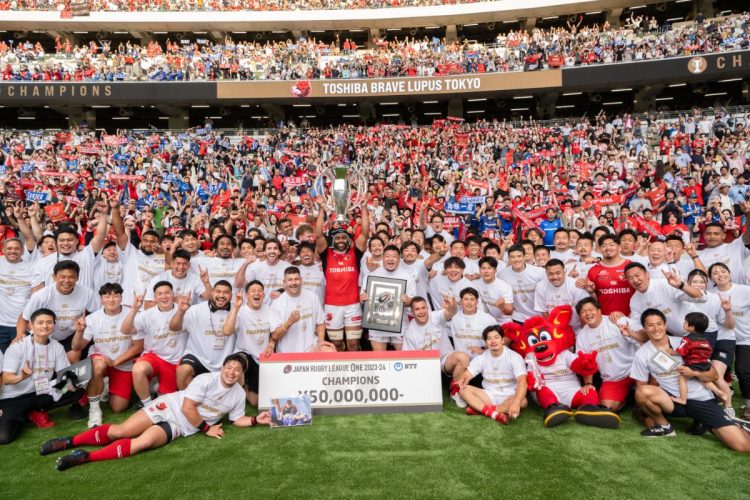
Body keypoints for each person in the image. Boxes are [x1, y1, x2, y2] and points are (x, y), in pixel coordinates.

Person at [41, 354, 272, 470]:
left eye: (237, 370)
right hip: (169, 407)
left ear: (241, 374)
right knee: (121, 431)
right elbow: (187, 407)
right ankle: (68, 441)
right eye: (229, 367)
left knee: (142, 443)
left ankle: (85, 457)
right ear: (222, 368)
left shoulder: (239, 394)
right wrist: (207, 428)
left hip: (181, 427)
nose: (232, 372)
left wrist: (254, 419)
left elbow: (236, 418)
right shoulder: (206, 380)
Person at [631, 309, 750, 451]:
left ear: (665, 325)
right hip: (673, 401)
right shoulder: (642, 354)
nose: (656, 328)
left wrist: (694, 372)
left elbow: (714, 375)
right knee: (642, 392)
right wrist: (649, 409)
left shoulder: (686, 342)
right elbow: (641, 387)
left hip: (701, 400)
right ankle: (664, 427)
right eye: (650, 325)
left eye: (659, 323)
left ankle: (730, 424)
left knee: (743, 446)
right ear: (644, 328)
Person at [0, 309, 83, 444]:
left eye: (49, 322)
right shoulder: (17, 346)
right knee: (4, 438)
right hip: (13, 398)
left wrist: (70, 382)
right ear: (30, 326)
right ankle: (27, 414)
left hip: (40, 392)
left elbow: (64, 374)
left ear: (54, 325)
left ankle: (35, 410)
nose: (45, 326)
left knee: (76, 388)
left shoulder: (57, 347)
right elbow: (6, 379)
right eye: (40, 323)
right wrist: (22, 376)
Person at [71, 283, 143, 427]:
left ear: (121, 297)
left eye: (116, 295)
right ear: (101, 299)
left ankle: (103, 385)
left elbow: (138, 347)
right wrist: (79, 331)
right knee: (98, 365)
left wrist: (115, 362)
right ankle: (95, 409)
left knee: (118, 407)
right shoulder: (92, 318)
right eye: (107, 296)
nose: (111, 300)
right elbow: (77, 347)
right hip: (101, 361)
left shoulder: (133, 314)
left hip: (122, 364)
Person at [121, 281, 188, 407]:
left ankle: (156, 388)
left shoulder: (185, 310)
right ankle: (147, 405)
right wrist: (135, 309)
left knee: (166, 403)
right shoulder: (147, 314)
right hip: (155, 358)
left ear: (173, 294)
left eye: (167, 293)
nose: (164, 296)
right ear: (155, 297)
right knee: (138, 369)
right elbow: (125, 330)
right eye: (160, 294)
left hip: (176, 361)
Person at [18, 260, 98, 363]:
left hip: (70, 334)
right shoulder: (41, 296)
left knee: (74, 356)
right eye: (62, 277)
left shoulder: (87, 293)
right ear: (54, 277)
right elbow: (24, 318)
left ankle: (69, 378)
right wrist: (19, 335)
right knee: (40, 361)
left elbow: (97, 314)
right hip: (45, 334)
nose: (67, 280)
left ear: (77, 277)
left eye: (71, 277)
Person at [315, 200, 370, 352]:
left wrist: (364, 208)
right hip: (332, 306)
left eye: (343, 238)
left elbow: (365, 233)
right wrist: (321, 210)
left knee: (353, 345)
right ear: (333, 239)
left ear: (349, 240)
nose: (340, 240)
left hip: (352, 305)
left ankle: (354, 373)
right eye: (338, 238)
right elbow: (318, 234)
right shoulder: (327, 254)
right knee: (337, 345)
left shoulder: (355, 253)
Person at [575, 298, 639, 411]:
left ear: (599, 311)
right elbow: (586, 363)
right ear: (580, 316)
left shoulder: (617, 320)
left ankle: (637, 394)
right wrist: (588, 383)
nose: (588, 313)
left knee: (646, 394)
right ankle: (628, 396)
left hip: (636, 370)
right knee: (607, 408)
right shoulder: (581, 336)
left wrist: (631, 334)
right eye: (583, 311)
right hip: (614, 378)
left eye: (591, 309)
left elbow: (644, 336)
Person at [402, 295, 467, 408]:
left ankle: (455, 392)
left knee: (463, 358)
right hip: (424, 366)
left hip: (444, 360)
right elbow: (408, 358)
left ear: (427, 308)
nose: (421, 311)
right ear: (412, 312)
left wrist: (452, 306)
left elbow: (451, 312)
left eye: (423, 308)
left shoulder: (435, 316)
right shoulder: (410, 331)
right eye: (417, 309)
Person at [170, 280, 236, 390]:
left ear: (231, 295)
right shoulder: (196, 309)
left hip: (225, 359)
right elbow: (173, 327)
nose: (221, 295)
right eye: (218, 291)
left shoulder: (236, 310)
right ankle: (185, 399)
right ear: (212, 293)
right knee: (183, 370)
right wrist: (181, 311)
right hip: (198, 356)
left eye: (225, 292)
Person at [457, 325, 527, 424]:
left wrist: (515, 403)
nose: (493, 341)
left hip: (509, 395)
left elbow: (522, 382)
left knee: (523, 401)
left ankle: (481, 409)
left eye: (496, 337)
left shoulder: (514, 357)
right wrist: (464, 379)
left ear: (503, 340)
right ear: (486, 343)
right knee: (463, 390)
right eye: (489, 339)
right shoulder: (482, 357)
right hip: (489, 395)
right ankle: (495, 414)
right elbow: (467, 373)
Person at [359, 245, 416, 351]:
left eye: (394, 256)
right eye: (387, 256)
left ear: (399, 259)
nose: (390, 259)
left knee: (403, 358)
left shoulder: (408, 277)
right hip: (376, 323)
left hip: (400, 322)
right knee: (379, 359)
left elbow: (412, 301)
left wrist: (409, 301)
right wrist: (363, 299)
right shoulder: (371, 276)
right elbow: (362, 298)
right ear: (383, 258)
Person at [223, 280, 271, 406]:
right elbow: (227, 331)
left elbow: (276, 332)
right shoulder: (241, 311)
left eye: (259, 291)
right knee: (239, 363)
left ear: (263, 295)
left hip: (261, 357)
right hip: (244, 352)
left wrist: (271, 344)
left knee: (254, 401)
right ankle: (236, 401)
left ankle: (245, 386)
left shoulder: (270, 310)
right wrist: (236, 307)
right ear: (247, 295)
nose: (257, 293)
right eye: (253, 291)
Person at [269, 266, 333, 353]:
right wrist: (289, 322)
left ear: (301, 280)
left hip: (311, 348)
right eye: (290, 280)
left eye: (296, 279)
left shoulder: (312, 297)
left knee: (330, 351)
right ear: (284, 282)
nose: (294, 283)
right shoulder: (277, 303)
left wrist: (321, 341)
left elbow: (320, 322)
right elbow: (275, 336)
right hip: (288, 353)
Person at [671, 312, 727, 406]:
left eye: (685, 322)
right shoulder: (705, 339)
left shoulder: (687, 339)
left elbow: (681, 351)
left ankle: (682, 398)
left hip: (693, 365)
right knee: (703, 380)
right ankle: (719, 392)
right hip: (705, 365)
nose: (683, 324)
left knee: (682, 378)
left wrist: (671, 352)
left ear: (692, 327)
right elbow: (708, 351)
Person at [578, 234, 634, 315]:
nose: (608, 248)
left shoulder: (631, 266)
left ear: (619, 247)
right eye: (604, 245)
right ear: (600, 249)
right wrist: (591, 292)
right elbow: (594, 299)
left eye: (611, 245)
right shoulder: (593, 270)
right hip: (605, 319)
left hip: (630, 318)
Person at [534, 259, 589, 329]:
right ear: (546, 273)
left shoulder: (575, 285)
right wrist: (552, 329)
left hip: (577, 329)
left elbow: (584, 310)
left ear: (564, 271)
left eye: (558, 273)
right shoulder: (541, 286)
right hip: (554, 330)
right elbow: (543, 311)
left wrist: (583, 331)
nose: (555, 277)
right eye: (550, 274)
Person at [144, 249, 210, 308]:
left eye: (184, 264)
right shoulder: (159, 278)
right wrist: (172, 301)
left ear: (189, 265)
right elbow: (147, 305)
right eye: (178, 263)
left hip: (186, 316)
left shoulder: (195, 278)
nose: (181, 267)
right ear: (172, 264)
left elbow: (208, 297)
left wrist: (206, 283)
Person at [497, 244, 545, 323]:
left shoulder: (539, 272)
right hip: (517, 317)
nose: (516, 259)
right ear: (509, 258)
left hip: (538, 316)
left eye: (519, 256)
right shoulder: (502, 275)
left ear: (524, 256)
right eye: (512, 257)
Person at [475, 256, 514, 324]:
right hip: (485, 322)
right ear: (479, 270)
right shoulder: (475, 284)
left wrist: (502, 307)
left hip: (503, 323)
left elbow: (509, 312)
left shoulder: (504, 286)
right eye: (483, 268)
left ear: (495, 270)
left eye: (489, 268)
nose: (486, 271)